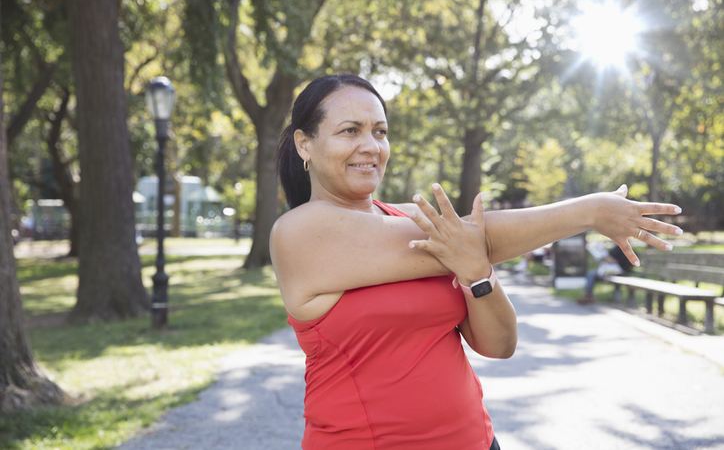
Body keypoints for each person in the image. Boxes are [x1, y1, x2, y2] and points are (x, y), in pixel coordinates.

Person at [270, 74, 682, 450]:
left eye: (380, 131)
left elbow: (499, 345)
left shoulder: (405, 218)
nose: (371, 146)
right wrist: (589, 211)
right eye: (350, 131)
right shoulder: (299, 233)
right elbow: (478, 235)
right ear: (305, 144)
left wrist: (477, 274)